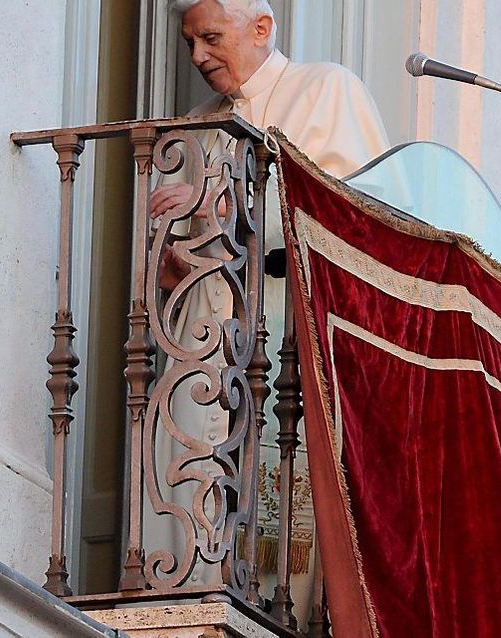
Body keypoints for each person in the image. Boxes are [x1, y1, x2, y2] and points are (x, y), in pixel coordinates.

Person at [143, 0, 390, 626]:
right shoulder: (196, 126)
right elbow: (170, 262)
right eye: (189, 42)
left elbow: (357, 218)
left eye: (209, 37)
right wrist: (172, 246)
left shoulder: (326, 91)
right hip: (204, 345)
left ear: (261, 28)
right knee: (194, 490)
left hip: (290, 339)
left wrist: (216, 202)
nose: (196, 56)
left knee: (288, 517)